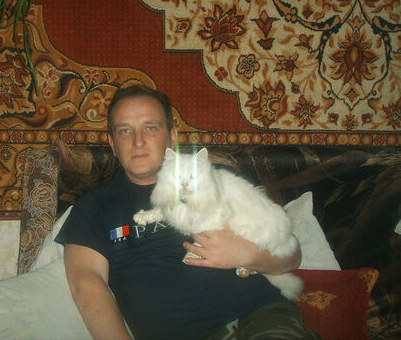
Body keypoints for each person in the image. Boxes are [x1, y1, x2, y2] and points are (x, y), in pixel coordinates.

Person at [55, 85, 320, 340]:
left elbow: (292, 255)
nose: (138, 141)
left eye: (150, 127)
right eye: (125, 131)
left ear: (172, 136)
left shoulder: (220, 179)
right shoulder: (95, 205)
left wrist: (248, 254)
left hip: (260, 317)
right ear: (112, 144)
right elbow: (85, 283)